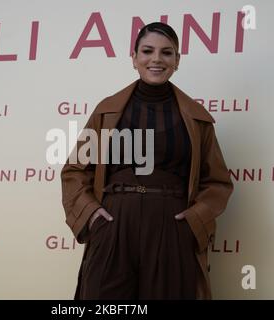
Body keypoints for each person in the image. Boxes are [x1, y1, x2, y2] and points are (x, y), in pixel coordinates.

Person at [60, 22, 233, 300]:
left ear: (177, 60)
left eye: (167, 53)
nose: (156, 59)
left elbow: (217, 182)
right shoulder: (106, 111)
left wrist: (193, 222)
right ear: (134, 58)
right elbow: (75, 170)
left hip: (172, 225)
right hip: (114, 221)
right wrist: (92, 215)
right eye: (147, 51)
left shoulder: (198, 118)